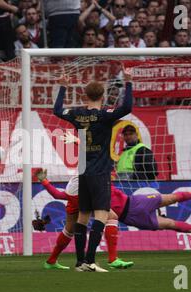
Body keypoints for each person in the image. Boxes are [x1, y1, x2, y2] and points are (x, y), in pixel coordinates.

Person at [36, 169, 191, 270]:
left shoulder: (97, 181)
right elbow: (62, 195)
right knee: (170, 225)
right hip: (132, 217)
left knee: (172, 197)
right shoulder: (87, 192)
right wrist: (44, 181)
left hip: (137, 202)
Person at [53, 67, 133, 272]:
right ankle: (90, 260)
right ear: (103, 95)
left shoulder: (77, 114)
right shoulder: (105, 115)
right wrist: (129, 82)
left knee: (83, 216)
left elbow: (57, 110)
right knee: (101, 215)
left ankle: (80, 262)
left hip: (83, 173)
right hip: (100, 172)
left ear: (85, 95)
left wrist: (63, 86)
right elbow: (127, 108)